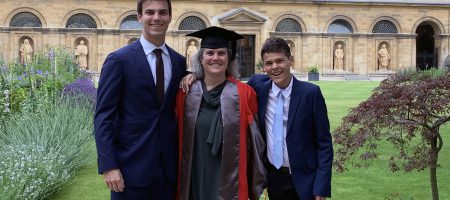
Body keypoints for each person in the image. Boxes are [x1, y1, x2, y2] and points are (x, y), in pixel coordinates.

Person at [94, 0, 189, 199]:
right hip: (130, 169)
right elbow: (104, 116)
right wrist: (109, 166)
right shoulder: (119, 60)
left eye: (163, 12)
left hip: (167, 170)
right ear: (139, 17)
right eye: (150, 12)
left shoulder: (179, 61)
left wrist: (194, 74)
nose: (156, 18)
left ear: (170, 17)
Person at [175, 26, 266, 200]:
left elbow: (254, 142)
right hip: (193, 173)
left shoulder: (245, 93)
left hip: (231, 178)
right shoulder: (185, 93)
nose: (215, 58)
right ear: (201, 58)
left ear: (229, 58)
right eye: (210, 53)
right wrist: (190, 75)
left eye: (221, 53)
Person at [247, 38, 333, 200]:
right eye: (269, 63)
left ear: (290, 60)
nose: (274, 67)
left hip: (305, 180)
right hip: (275, 178)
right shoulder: (258, 86)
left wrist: (321, 185)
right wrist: (194, 75)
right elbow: (227, 84)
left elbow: (324, 143)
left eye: (279, 61)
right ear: (263, 66)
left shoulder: (311, 93)